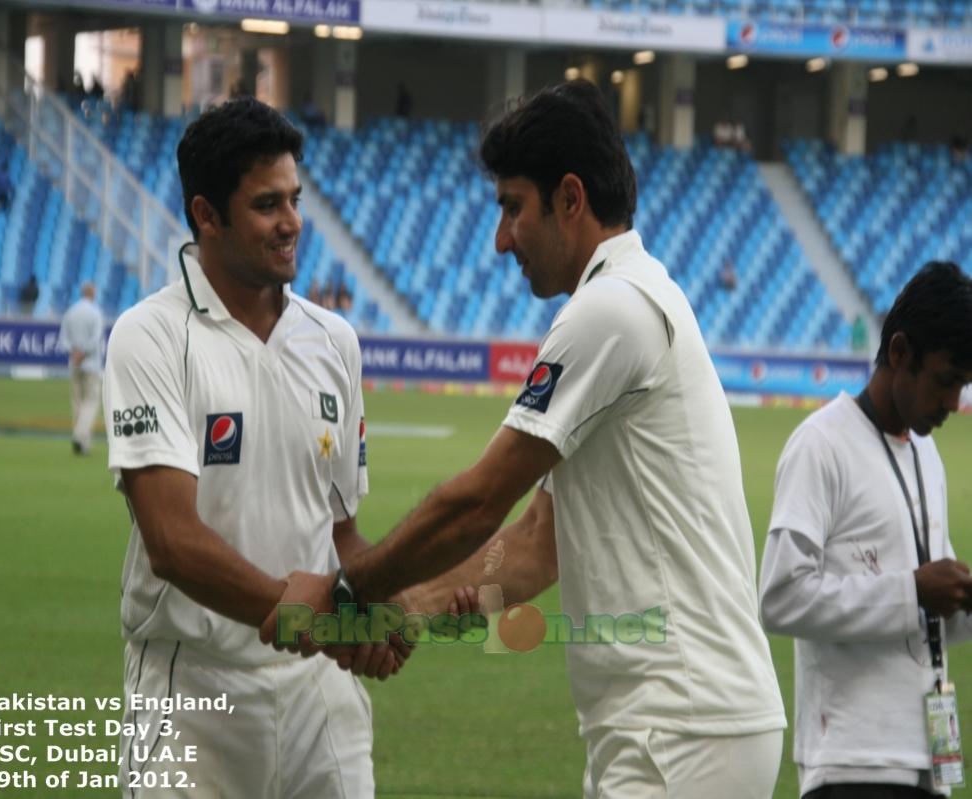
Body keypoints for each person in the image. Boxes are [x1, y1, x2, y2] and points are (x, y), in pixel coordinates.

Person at [262, 81, 787, 798]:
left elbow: (478, 499)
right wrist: (410, 609)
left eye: (513, 207)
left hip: (681, 722)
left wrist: (350, 591)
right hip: (667, 721)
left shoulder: (611, 309)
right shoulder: (630, 295)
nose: (500, 239)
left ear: (569, 198)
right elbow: (542, 538)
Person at [101, 96, 446, 798]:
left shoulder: (334, 342)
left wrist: (375, 607)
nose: (291, 223)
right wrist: (307, 613)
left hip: (320, 694)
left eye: (293, 198)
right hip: (190, 696)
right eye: (265, 204)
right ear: (206, 215)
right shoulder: (150, 336)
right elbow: (170, 538)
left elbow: (340, 529)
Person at [759, 261, 972, 799]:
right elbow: (780, 597)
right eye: (947, 381)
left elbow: (930, 616)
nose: (954, 403)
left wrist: (962, 600)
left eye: (964, 387)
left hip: (927, 762)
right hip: (852, 763)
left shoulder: (927, 455)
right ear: (899, 352)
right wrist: (913, 591)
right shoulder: (820, 445)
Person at [58, 282, 103, 454]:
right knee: (91, 402)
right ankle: (80, 435)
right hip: (91, 363)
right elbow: (96, 338)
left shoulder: (71, 312)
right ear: (93, 293)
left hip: (74, 363)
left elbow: (64, 338)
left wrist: (74, 352)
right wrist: (83, 352)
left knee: (77, 402)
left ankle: (83, 443)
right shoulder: (95, 312)